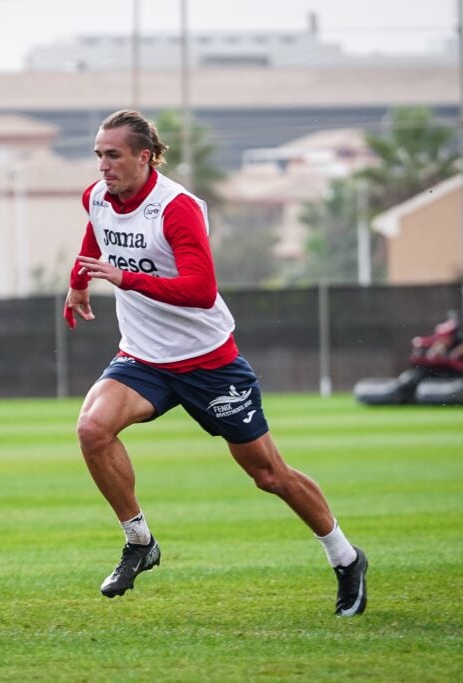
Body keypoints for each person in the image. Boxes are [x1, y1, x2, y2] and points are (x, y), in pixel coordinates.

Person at [62, 110, 368, 616]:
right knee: (93, 429)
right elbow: (96, 237)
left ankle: (345, 557)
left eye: (112, 155)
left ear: (144, 156)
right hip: (143, 358)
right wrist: (78, 283)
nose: (103, 165)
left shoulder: (176, 208)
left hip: (208, 363)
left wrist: (124, 279)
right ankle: (140, 542)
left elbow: (202, 292)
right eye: (98, 154)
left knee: (269, 475)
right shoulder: (97, 197)